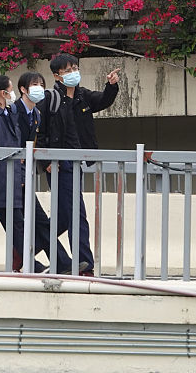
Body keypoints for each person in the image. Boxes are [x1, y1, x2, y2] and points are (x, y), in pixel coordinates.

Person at [0, 75, 72, 274]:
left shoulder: (8, 115)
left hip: (9, 181)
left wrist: (20, 176)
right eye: (10, 89)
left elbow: (18, 152)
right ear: (2, 93)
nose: (12, 93)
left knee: (9, 226)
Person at [38, 53, 120, 275]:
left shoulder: (83, 96)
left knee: (65, 217)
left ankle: (24, 249)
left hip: (77, 162)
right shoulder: (51, 99)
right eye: (67, 70)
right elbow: (40, 131)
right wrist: (45, 161)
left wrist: (111, 86)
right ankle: (85, 265)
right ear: (56, 75)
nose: (73, 73)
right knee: (77, 214)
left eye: (75, 68)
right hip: (59, 163)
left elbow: (103, 100)